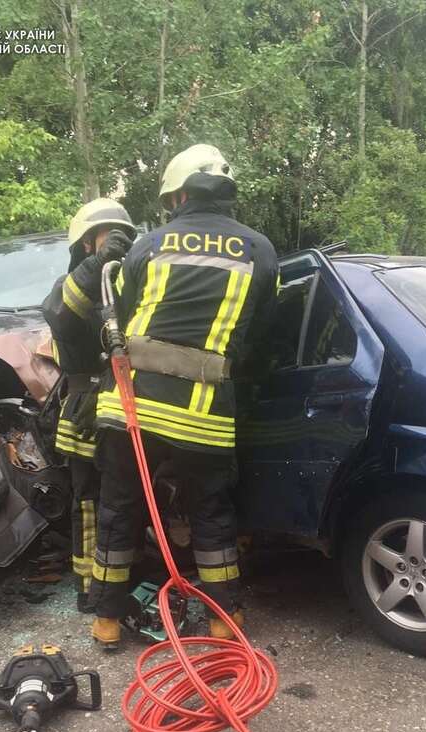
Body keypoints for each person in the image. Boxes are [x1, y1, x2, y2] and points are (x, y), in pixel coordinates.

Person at [88, 144, 279, 650]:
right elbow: (261, 337)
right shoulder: (260, 250)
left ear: (179, 196)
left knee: (119, 509)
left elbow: (121, 320)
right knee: (211, 513)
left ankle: (106, 621)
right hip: (203, 415)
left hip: (130, 406)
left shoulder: (147, 245)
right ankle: (224, 618)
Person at [42, 199, 136, 610]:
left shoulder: (127, 287)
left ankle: (127, 577)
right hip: (84, 411)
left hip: (125, 407)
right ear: (84, 245)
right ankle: (87, 586)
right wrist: (97, 263)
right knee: (88, 503)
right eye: (106, 235)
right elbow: (62, 317)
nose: (118, 241)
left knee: (126, 499)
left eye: (123, 235)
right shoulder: (69, 287)